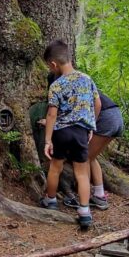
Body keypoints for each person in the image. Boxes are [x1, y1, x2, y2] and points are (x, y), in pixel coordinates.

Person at [40, 40, 101, 229]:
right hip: (81, 132)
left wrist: (47, 140)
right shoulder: (86, 79)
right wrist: (91, 126)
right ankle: (84, 212)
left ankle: (50, 200)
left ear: (53, 64)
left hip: (61, 132)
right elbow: (97, 104)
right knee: (82, 173)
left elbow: (52, 114)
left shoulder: (56, 86)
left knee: (55, 167)